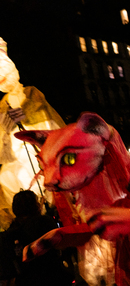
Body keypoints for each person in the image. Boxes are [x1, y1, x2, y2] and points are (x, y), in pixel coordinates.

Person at [0, 38, 65, 230]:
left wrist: (24, 119)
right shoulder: (2, 106)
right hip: (15, 160)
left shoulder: (32, 94)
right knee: (6, 178)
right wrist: (5, 131)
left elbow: (48, 122)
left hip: (36, 154)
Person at [0, 190, 73, 286]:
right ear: (34, 205)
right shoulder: (44, 221)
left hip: (26, 280)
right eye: (37, 201)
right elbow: (60, 244)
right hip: (52, 276)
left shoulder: (11, 230)